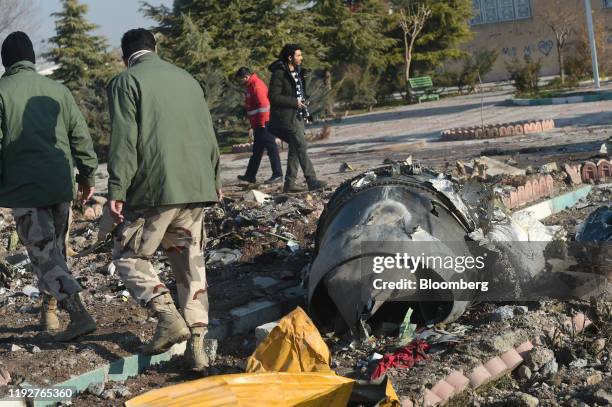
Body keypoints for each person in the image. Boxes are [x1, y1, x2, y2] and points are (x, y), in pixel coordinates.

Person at [106, 28, 222, 370]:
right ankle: (198, 348)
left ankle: (167, 316)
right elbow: (207, 130)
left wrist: (116, 189)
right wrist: (214, 178)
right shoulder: (186, 78)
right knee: (189, 264)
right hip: (196, 187)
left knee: (127, 255)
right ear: (155, 49)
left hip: (156, 190)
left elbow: (124, 141)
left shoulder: (126, 82)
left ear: (125, 56)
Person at [0, 31, 98, 341]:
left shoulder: (1, 91)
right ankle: (50, 313)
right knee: (55, 252)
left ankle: (78, 314)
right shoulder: (58, 90)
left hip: (25, 189)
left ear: (5, 62)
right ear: (32, 59)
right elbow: (80, 137)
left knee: (44, 255)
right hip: (60, 185)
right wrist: (87, 177)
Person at [268, 44, 326, 193]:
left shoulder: (298, 71)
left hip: (298, 116)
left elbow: (298, 91)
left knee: (295, 147)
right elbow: (273, 97)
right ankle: (311, 180)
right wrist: (294, 102)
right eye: (298, 55)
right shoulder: (279, 73)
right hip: (286, 117)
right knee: (301, 146)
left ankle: (289, 184)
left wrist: (303, 100)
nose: (301, 58)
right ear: (290, 57)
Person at [236, 67, 283, 185]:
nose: (240, 82)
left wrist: (261, 124)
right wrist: (253, 125)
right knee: (257, 150)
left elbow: (264, 107)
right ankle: (250, 176)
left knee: (271, 148)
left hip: (265, 122)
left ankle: (278, 174)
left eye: (240, 79)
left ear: (246, 77)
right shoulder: (250, 86)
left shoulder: (256, 86)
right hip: (259, 124)